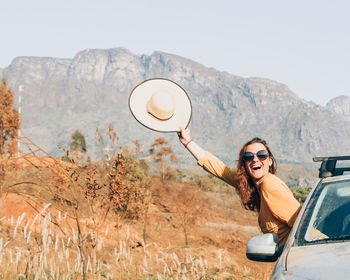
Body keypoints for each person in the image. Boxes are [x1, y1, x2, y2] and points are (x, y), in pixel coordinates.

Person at [177, 126, 301, 246]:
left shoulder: (270, 185)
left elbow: (302, 224)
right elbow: (220, 170)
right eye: (248, 157)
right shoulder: (251, 185)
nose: (255, 160)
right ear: (244, 164)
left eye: (262, 155)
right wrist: (187, 141)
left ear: (270, 161)